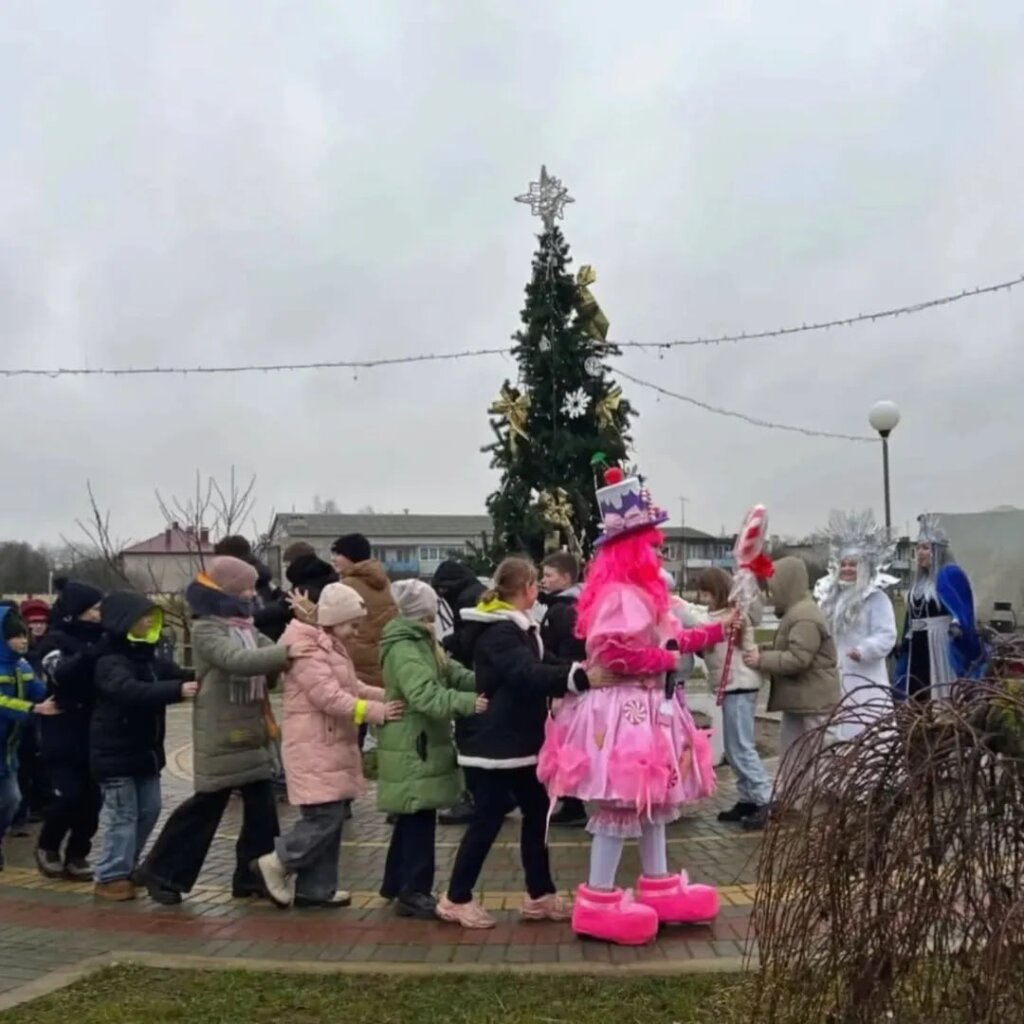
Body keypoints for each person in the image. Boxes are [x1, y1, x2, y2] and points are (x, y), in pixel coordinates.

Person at [539, 465, 734, 946]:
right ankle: (598, 900)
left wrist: (718, 629)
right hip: (624, 713)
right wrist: (667, 658)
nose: (658, 552)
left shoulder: (643, 595)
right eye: (651, 545)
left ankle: (659, 885)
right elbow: (615, 653)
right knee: (620, 801)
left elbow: (673, 639)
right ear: (631, 549)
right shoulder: (620, 596)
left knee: (653, 799)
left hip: (648, 710)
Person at [436, 557, 596, 930]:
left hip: (518, 741)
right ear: (526, 588)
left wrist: (581, 669)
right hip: (493, 743)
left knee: (537, 813)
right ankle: (456, 898)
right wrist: (578, 679)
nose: (539, 589)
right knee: (487, 819)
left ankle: (540, 894)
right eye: (536, 583)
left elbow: (545, 660)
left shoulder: (519, 627)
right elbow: (526, 672)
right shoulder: (499, 631)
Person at [138, 557, 305, 905]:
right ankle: (162, 871)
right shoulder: (207, 629)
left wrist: (301, 634)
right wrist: (287, 653)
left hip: (251, 730)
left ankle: (253, 875)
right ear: (226, 589)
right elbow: (238, 661)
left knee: (262, 810)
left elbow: (268, 657)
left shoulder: (246, 627)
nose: (251, 594)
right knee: (206, 806)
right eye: (245, 588)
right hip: (221, 732)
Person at [253, 583, 402, 909]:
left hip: (326, 745)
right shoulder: (308, 650)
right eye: (352, 625)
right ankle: (278, 861)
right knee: (324, 819)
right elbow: (329, 697)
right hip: (315, 746)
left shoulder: (327, 645)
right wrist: (377, 711)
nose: (355, 632)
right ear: (334, 620)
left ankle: (316, 889)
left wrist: (386, 695)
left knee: (329, 818)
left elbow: (351, 686)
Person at [378, 579, 486, 919]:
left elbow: (451, 672)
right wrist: (469, 702)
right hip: (414, 742)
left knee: (413, 813)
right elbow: (424, 694)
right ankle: (414, 890)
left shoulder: (421, 641)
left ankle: (396, 883)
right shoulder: (407, 647)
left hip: (417, 739)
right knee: (419, 815)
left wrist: (486, 678)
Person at [90, 593, 196, 900]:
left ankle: (126, 866)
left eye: (152, 616)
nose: (149, 621)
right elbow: (129, 691)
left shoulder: (149, 659)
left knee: (149, 810)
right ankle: (110, 874)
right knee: (122, 815)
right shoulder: (109, 661)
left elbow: (179, 674)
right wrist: (177, 690)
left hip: (145, 755)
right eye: (143, 616)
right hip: (115, 756)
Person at [743, 557, 840, 812]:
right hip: (801, 700)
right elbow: (789, 647)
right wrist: (766, 650)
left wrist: (762, 659)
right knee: (793, 753)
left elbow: (799, 659)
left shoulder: (804, 616)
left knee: (818, 755)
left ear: (788, 583)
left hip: (815, 701)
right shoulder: (796, 613)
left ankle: (823, 807)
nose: (771, 594)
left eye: (774, 586)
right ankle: (795, 802)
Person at [33, 580, 105, 881]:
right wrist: (90, 654)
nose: (99, 615)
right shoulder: (54, 641)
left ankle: (78, 853)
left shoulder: (104, 638)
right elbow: (60, 672)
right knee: (68, 796)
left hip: (96, 730)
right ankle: (48, 844)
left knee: (93, 801)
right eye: (93, 609)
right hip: (62, 730)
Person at [693, 567, 772, 829]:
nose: (703, 598)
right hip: (731, 686)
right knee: (733, 746)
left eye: (706, 593)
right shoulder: (721, 616)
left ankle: (765, 798)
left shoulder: (732, 616)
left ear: (717, 591)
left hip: (740, 685)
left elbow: (704, 623)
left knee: (741, 746)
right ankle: (748, 798)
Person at [814, 510, 899, 740]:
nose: (847, 568)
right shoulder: (831, 598)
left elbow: (886, 634)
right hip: (837, 674)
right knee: (838, 729)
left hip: (866, 676)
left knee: (866, 727)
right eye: (844, 564)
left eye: (853, 564)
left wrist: (864, 650)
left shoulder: (876, 598)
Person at [894, 514, 985, 702]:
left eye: (926, 548)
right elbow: (911, 618)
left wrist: (957, 626)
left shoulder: (950, 574)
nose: (920, 552)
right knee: (918, 692)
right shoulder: (918, 584)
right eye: (918, 548)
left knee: (940, 691)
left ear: (938, 551)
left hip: (939, 642)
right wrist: (904, 643)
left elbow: (962, 610)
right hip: (917, 644)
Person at [431, 560, 488, 826]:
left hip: (473, 677)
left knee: (470, 738)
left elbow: (467, 641)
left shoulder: (466, 600)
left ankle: (474, 798)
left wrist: (445, 644)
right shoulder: (477, 593)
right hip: (482, 675)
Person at [0, 607, 57, 871]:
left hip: (7, 750)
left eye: (24, 635)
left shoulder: (22, 666)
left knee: (11, 800)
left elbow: (39, 691)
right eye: (16, 636)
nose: (23, 641)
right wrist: (33, 709)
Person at [538, 552, 588, 828]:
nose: (543, 580)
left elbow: (567, 652)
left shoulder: (564, 610)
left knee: (567, 742)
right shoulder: (562, 606)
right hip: (567, 681)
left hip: (566, 685)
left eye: (549, 575)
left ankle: (573, 802)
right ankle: (570, 799)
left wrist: (559, 686)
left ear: (567, 578)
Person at [13, 599, 52, 830]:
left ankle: (36, 805)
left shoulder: (47, 649)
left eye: (41, 622)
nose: (37, 626)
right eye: (32, 623)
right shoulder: (18, 657)